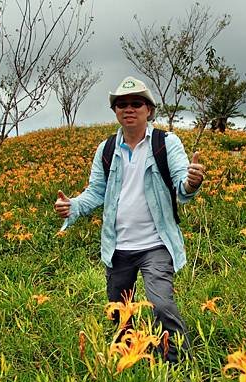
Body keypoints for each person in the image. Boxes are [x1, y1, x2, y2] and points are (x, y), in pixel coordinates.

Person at [54, 76, 205, 362]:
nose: (129, 109)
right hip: (118, 246)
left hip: (155, 244)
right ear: (115, 112)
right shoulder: (107, 149)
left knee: (161, 304)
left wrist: (192, 182)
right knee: (119, 311)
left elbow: (181, 182)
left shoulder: (165, 143)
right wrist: (72, 206)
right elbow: (96, 192)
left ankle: (178, 362)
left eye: (136, 103)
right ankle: (130, 356)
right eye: (122, 104)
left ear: (149, 109)